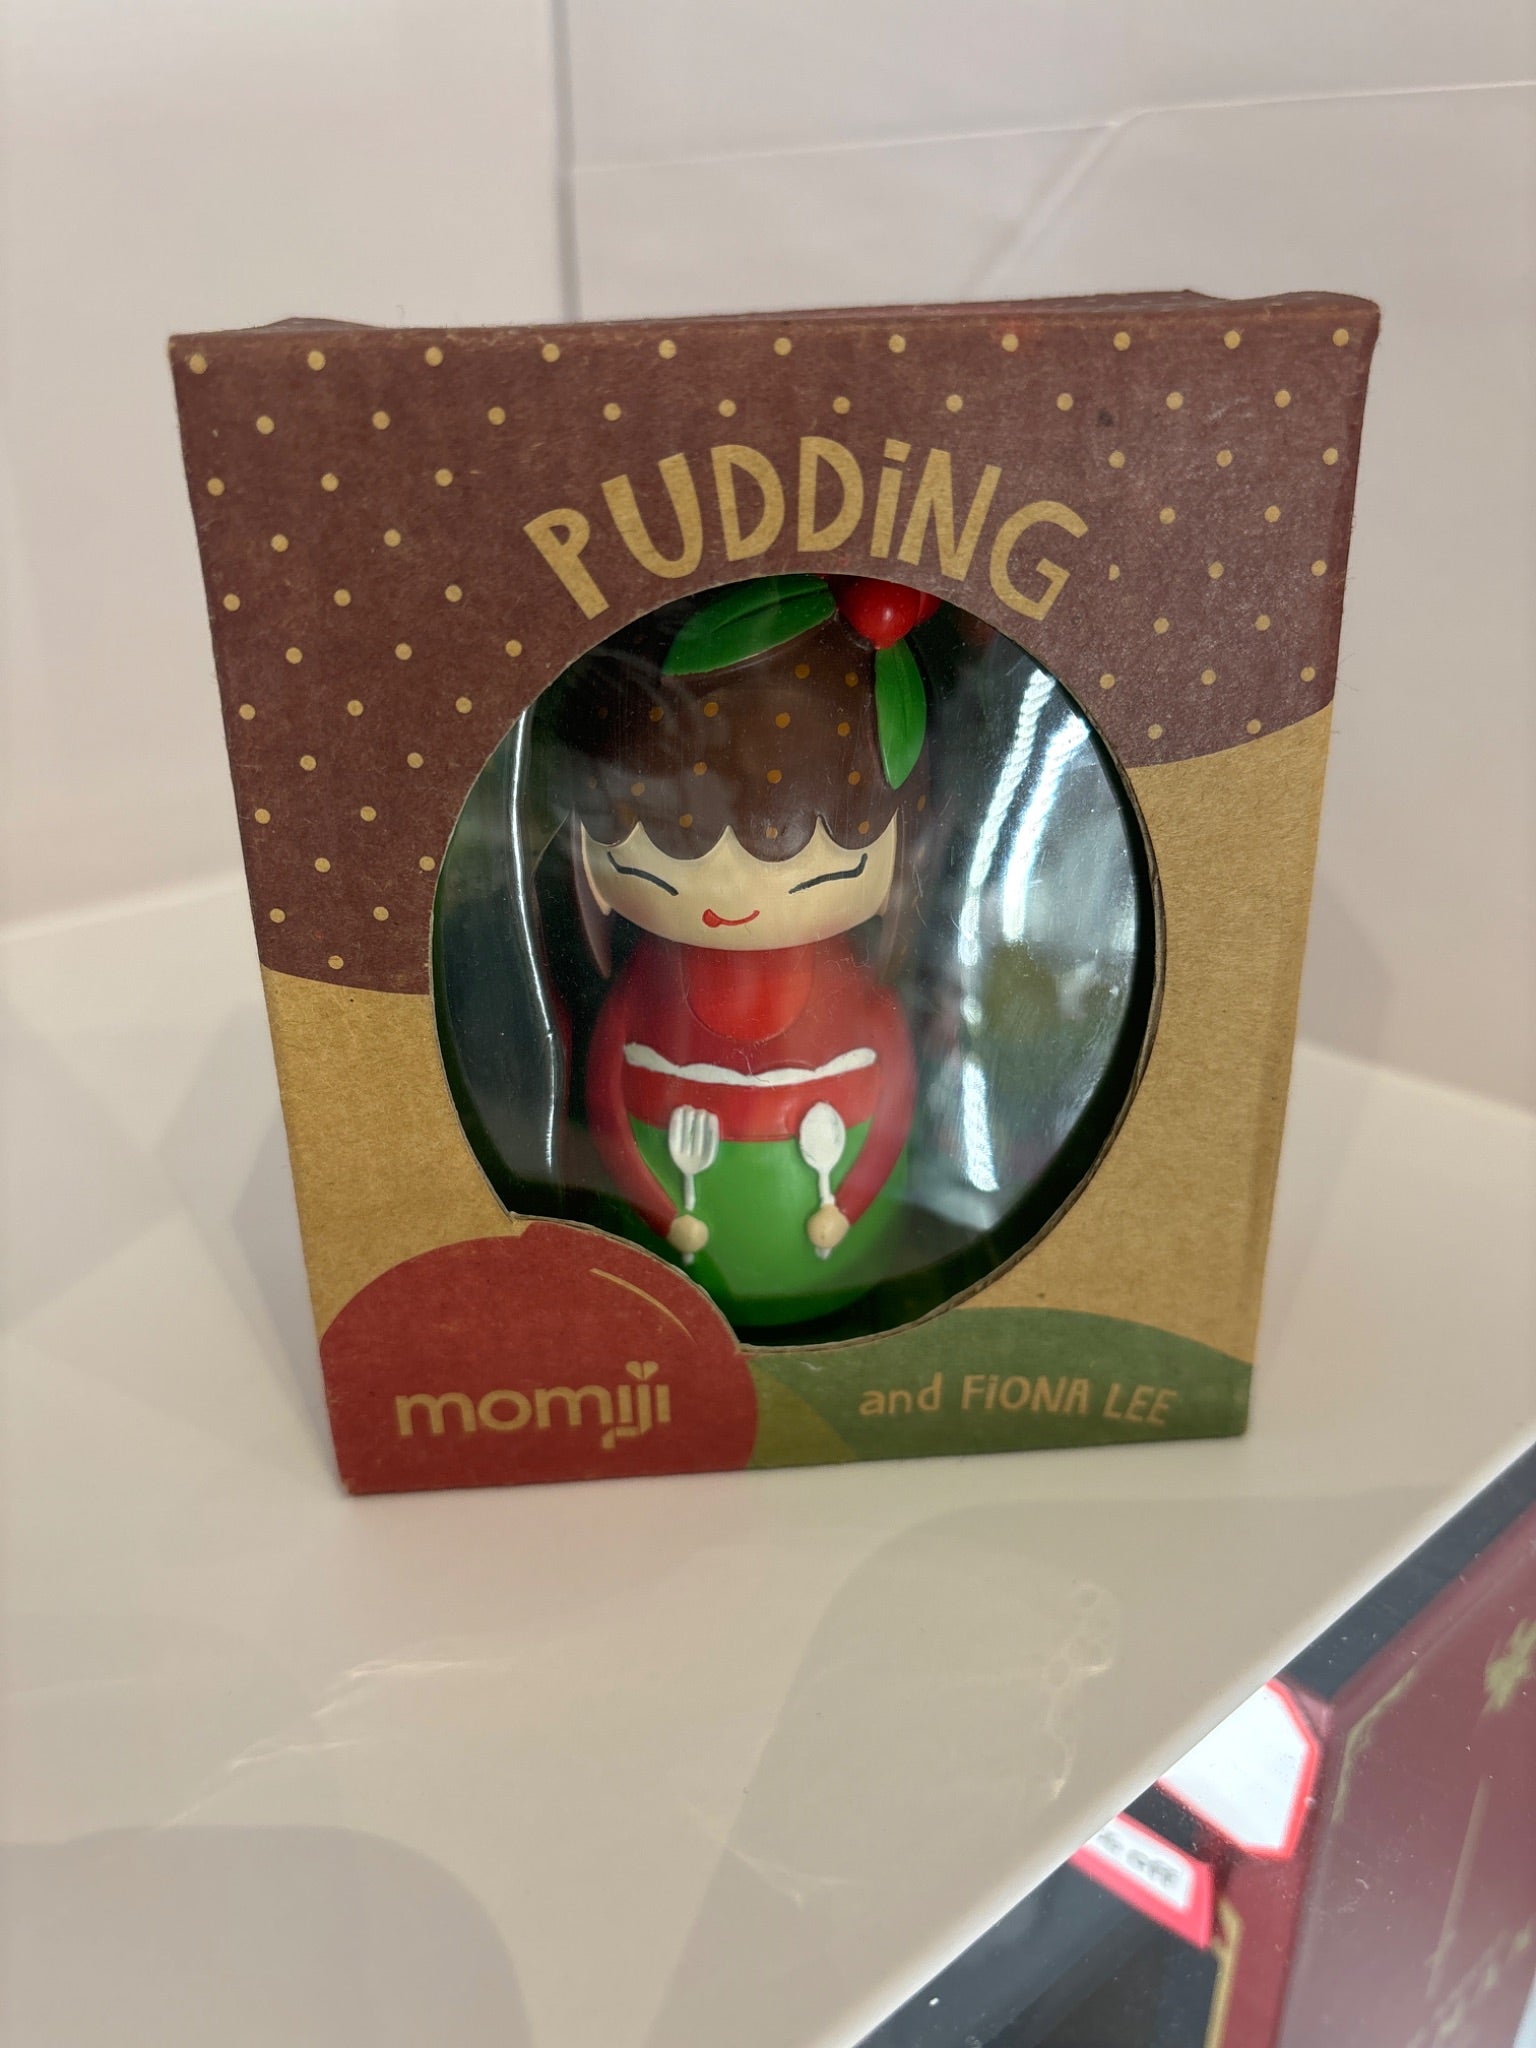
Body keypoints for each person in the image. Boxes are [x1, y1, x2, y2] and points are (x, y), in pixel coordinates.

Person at [556, 573, 935, 1329]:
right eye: (668, 847)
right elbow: (608, 1107)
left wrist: (848, 1205)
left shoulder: (856, 988)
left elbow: (893, 1101)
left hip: (842, 1257)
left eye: (796, 849)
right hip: (659, 1292)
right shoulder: (643, 988)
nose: (730, 896)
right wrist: (662, 1212)